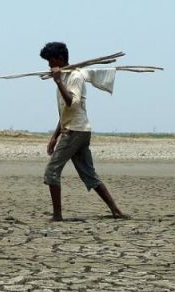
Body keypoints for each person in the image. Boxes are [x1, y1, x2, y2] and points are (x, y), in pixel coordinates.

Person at [39, 41, 127, 221]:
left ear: (61, 59)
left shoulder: (75, 77)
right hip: (75, 129)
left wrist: (57, 82)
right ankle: (116, 211)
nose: (49, 64)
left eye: (51, 60)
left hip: (75, 132)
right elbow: (65, 111)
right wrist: (54, 137)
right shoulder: (63, 77)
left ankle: (57, 216)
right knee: (89, 175)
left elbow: (71, 102)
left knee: (52, 171)